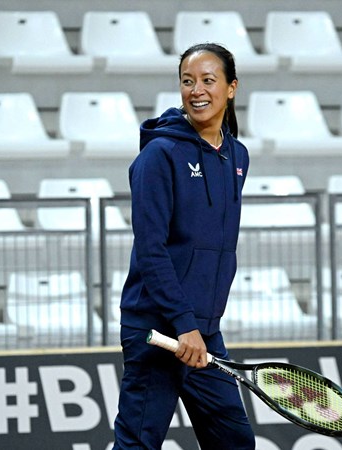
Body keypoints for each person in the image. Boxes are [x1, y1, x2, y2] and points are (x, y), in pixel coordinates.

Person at [112, 43, 256, 450]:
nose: (197, 90)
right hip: (159, 329)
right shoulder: (159, 155)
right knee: (138, 444)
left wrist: (199, 326)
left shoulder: (238, 156)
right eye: (188, 81)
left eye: (209, 80)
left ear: (231, 88)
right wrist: (183, 323)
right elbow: (151, 250)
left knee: (234, 442)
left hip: (204, 333)